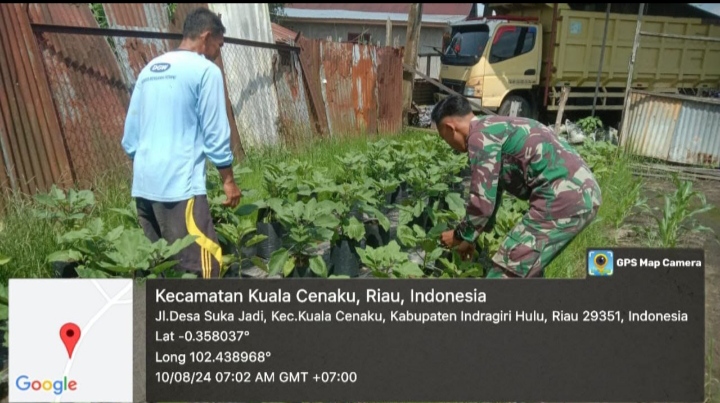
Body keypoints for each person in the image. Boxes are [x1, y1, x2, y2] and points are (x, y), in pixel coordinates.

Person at [121, 7, 241, 279]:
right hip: (179, 188)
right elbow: (215, 133)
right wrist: (228, 180)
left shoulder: (150, 69)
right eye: (218, 46)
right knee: (203, 266)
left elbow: (130, 138)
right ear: (206, 37)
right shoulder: (205, 71)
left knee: (162, 268)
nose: (217, 53)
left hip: (143, 187)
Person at [433, 95, 602, 278]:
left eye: (444, 137)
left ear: (450, 128)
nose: (449, 144)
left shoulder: (479, 137)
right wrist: (470, 237)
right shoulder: (493, 125)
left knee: (506, 270)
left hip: (562, 198)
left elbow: (482, 203)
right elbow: (493, 193)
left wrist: (459, 235)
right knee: (527, 268)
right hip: (581, 193)